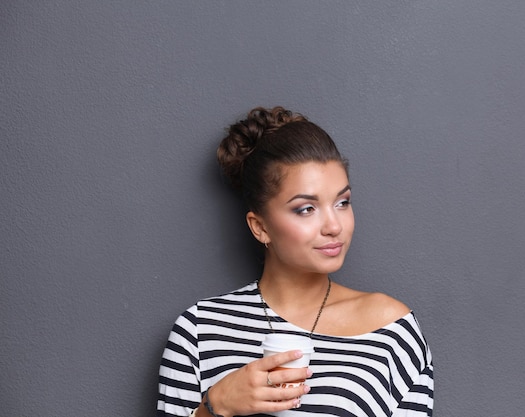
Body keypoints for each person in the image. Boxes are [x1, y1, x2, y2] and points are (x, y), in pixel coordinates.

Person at [157, 106, 434, 417]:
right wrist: (215, 405)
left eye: (342, 203)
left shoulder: (391, 329)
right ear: (260, 226)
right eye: (306, 209)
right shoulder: (198, 332)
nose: (334, 226)